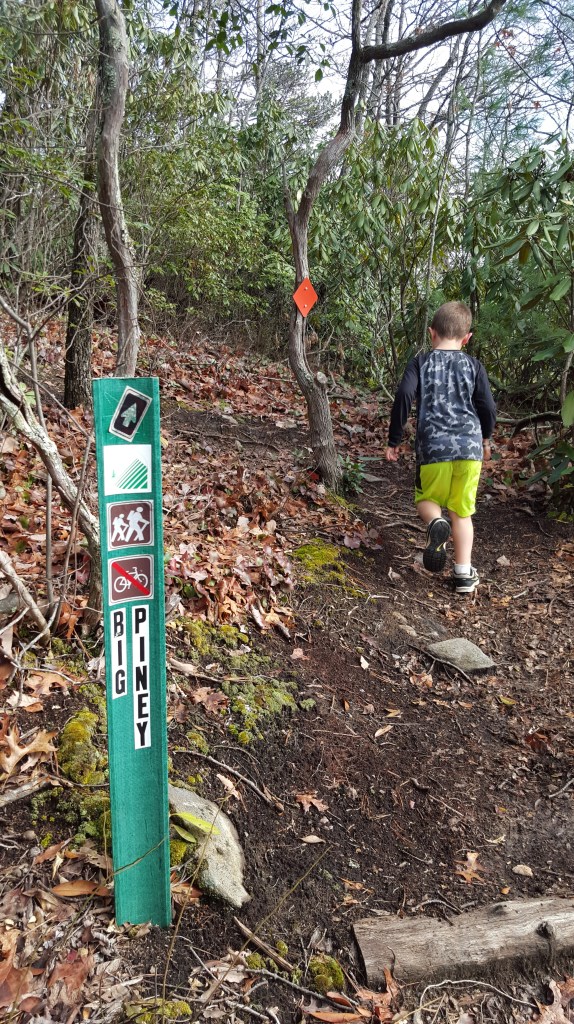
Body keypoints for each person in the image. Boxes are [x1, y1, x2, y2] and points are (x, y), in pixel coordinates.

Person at [385, 301, 496, 595]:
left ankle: (436, 522)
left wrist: (394, 439)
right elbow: (487, 405)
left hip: (433, 447)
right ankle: (462, 575)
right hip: (470, 447)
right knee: (462, 512)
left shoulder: (420, 362)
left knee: (426, 499)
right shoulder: (474, 365)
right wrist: (487, 439)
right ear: (467, 337)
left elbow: (404, 394)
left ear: (431, 332)